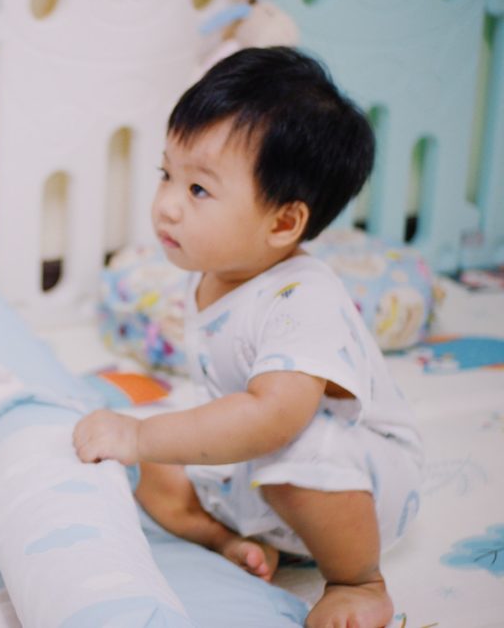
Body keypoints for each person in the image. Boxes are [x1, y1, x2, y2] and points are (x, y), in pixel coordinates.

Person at [72, 47, 423, 628]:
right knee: (150, 464)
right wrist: (146, 442)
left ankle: (358, 581)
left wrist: (142, 434)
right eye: (168, 175)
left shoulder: (303, 298)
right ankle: (226, 540)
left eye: (198, 191)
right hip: (267, 474)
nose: (166, 206)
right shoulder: (216, 272)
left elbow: (273, 419)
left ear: (283, 223)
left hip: (357, 487)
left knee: (279, 451)